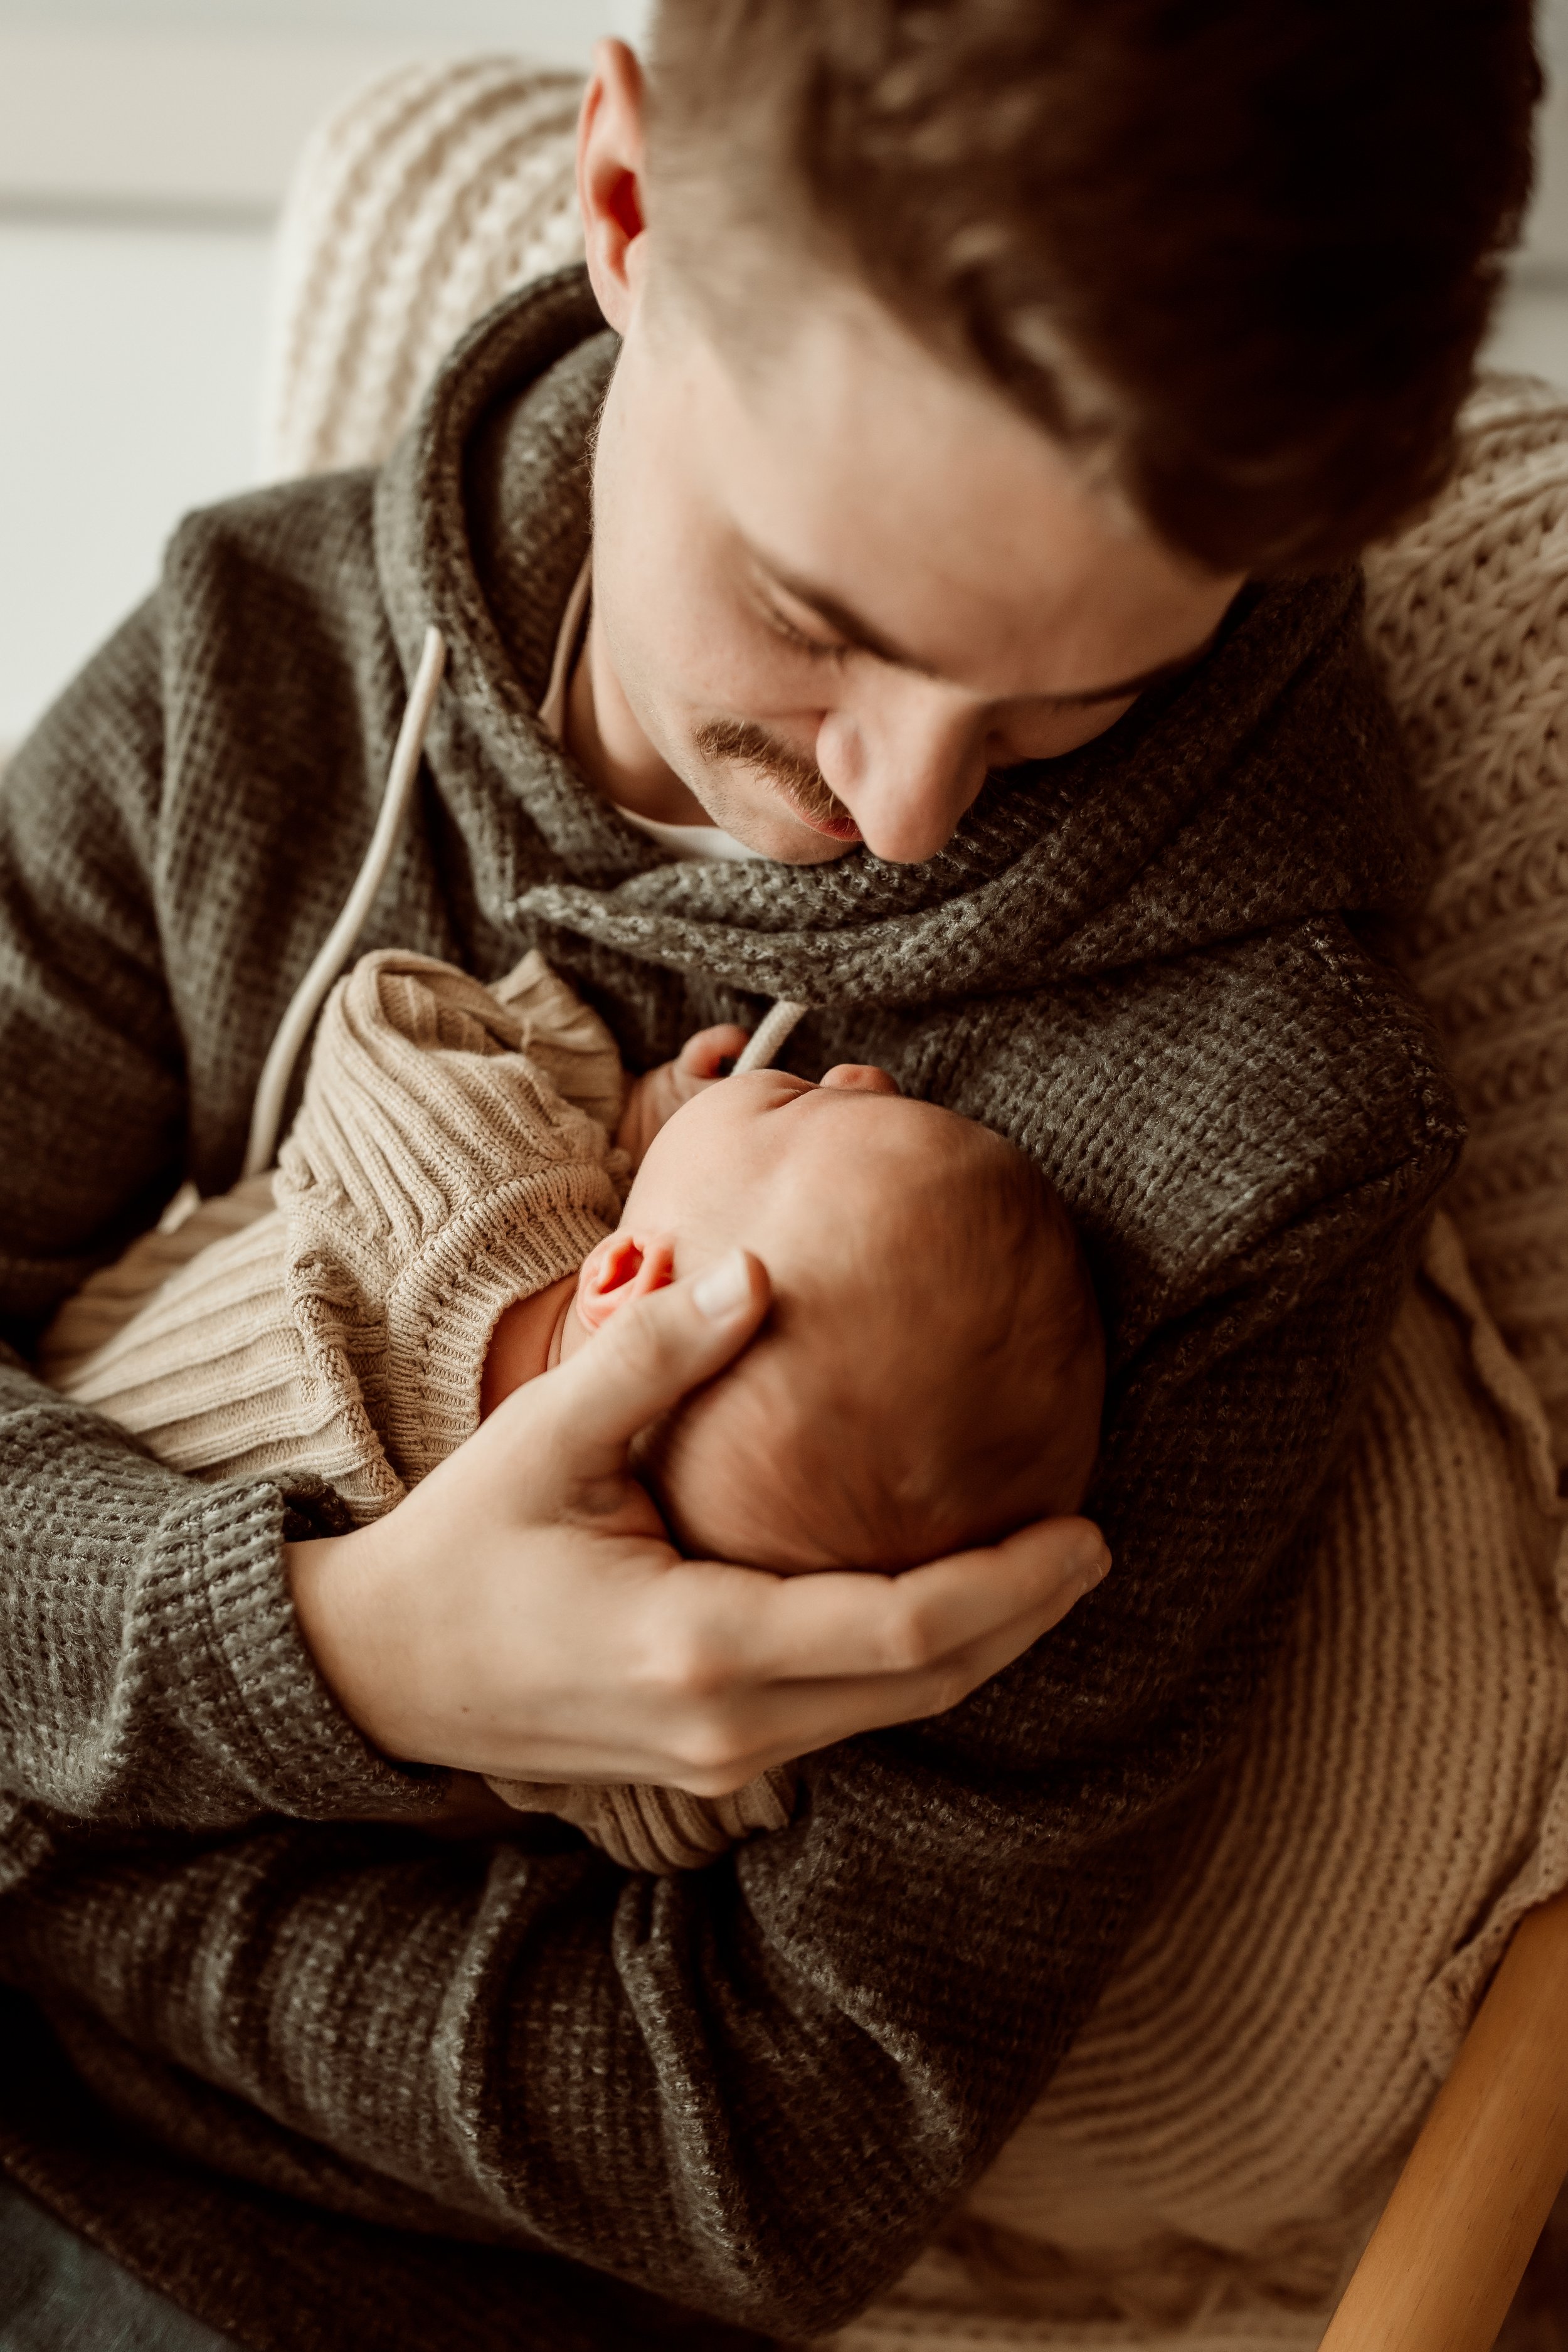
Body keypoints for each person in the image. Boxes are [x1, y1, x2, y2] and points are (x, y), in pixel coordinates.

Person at [0, 2, 1534, 2345]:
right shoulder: (258, 666)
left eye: (1077, 697)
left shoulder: (1240, 1127)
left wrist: (52, 1859)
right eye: (823, 617)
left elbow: (766, 2144)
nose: (900, 810)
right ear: (627, 208)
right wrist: (348, 1654)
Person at [41, 943, 1104, 1870]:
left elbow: (388, 1009)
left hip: (63, 1411)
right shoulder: (595, 1696)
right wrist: (777, 1754)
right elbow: (675, 1818)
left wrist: (606, 1106)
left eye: (806, 1105)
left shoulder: (471, 1201)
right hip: (139, 1745)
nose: (863, 1071)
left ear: (625, 1277)